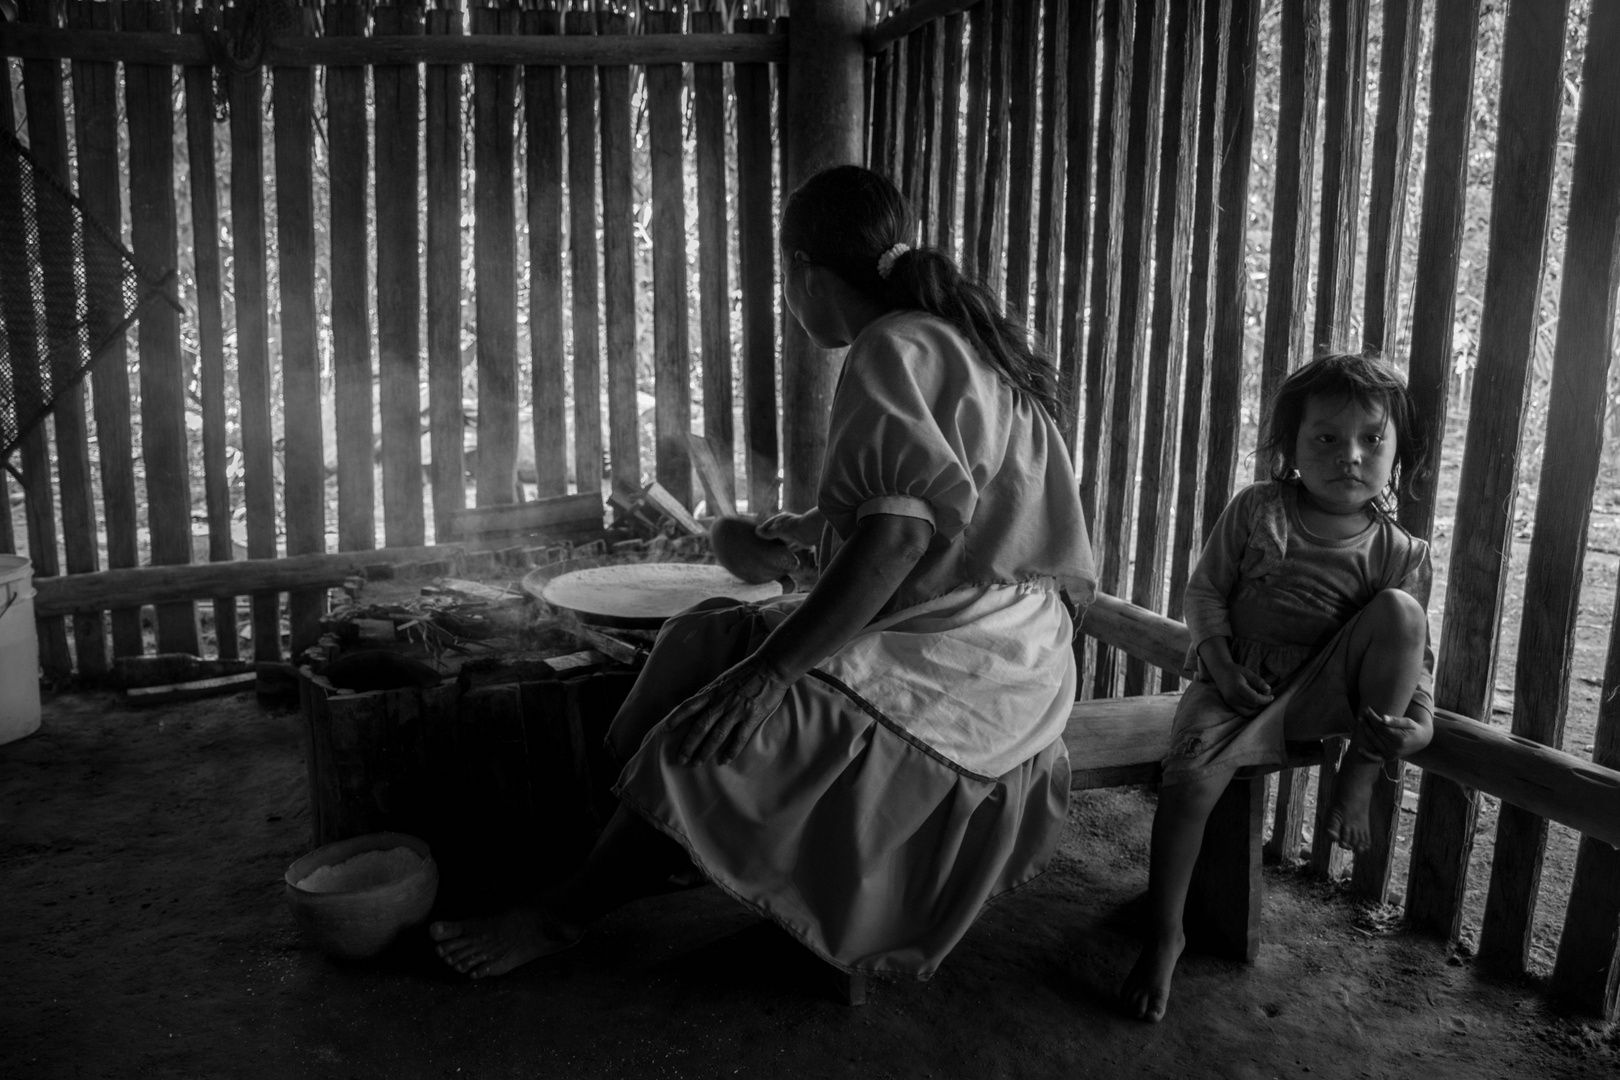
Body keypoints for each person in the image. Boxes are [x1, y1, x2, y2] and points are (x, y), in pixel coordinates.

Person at [430, 165, 1097, 982]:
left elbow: (894, 542)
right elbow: (937, 509)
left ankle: (564, 914)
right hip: (1013, 637)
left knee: (712, 726)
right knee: (706, 634)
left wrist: (772, 673)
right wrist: (782, 537)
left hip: (980, 662)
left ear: (803, 273)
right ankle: (676, 850)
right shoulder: (944, 337)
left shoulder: (892, 345)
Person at [1121, 352, 1437, 1022]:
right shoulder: (1258, 510)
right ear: (1290, 447)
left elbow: (1415, 658)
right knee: (1188, 790)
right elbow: (1205, 592)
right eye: (1326, 437)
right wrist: (1220, 660)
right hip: (1238, 684)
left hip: (1327, 695)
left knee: (1402, 613)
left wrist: (1422, 726)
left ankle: (1360, 772)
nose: (1350, 455)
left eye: (1371, 440)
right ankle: (1164, 933)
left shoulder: (1399, 551)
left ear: (1397, 452)